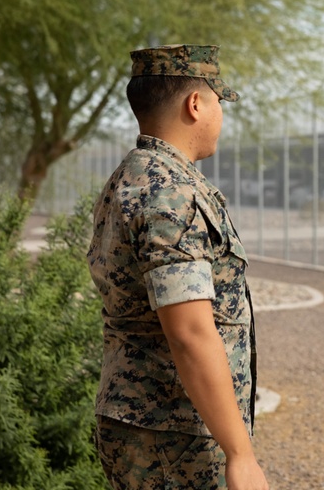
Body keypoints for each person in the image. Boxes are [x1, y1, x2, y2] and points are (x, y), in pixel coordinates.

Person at [87, 44, 268, 490]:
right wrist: (240, 453)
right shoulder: (168, 192)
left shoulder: (136, 175)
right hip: (173, 433)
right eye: (218, 102)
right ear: (195, 104)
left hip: (155, 425)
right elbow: (189, 331)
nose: (220, 116)